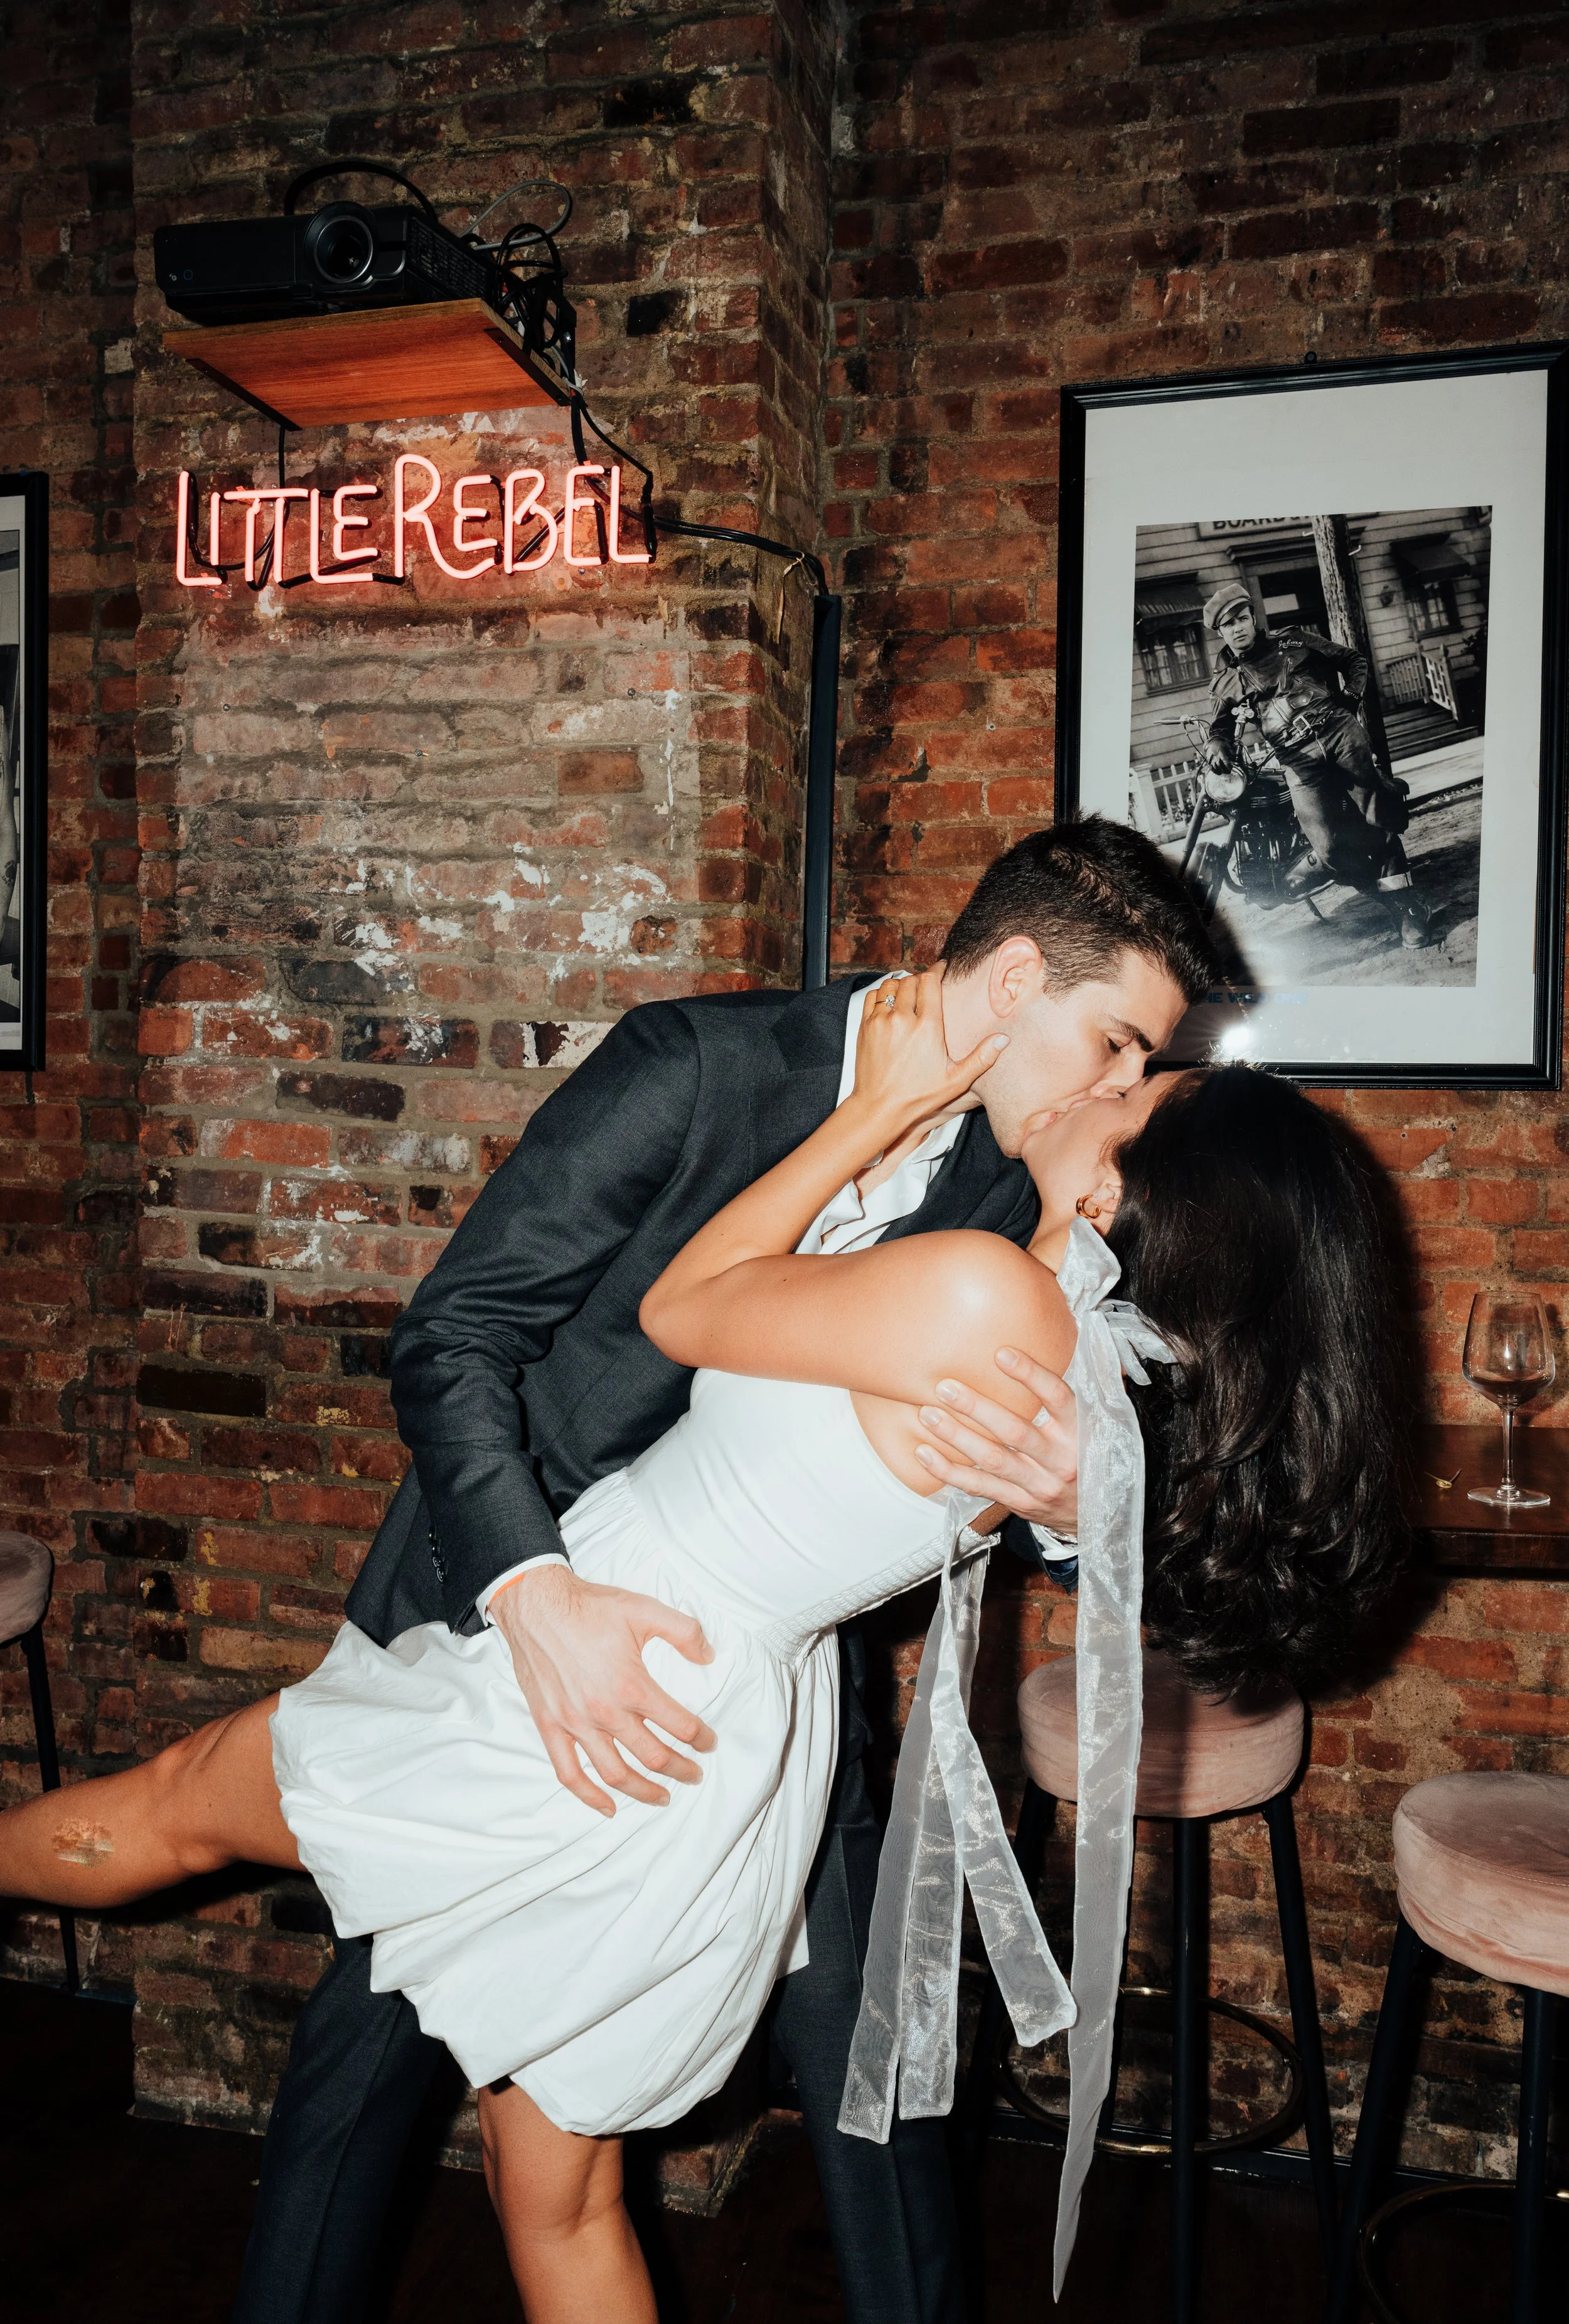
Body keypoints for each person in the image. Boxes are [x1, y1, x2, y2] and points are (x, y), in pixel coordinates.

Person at [0, 986, 1405, 2322]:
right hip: (708, 1722)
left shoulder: (986, 1295)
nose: (1108, 1081)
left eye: (1137, 1087)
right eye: (1122, 1050)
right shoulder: (1093, 1376)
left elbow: (687, 1310)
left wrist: (868, 1112)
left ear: (1114, 1194)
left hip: (607, 1672)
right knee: (553, 2196)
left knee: (172, 1807)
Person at [222, 814, 1218, 2324]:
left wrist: (1079, 1505)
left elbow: (1045, 1445)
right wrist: (534, 1597)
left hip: (775, 1681)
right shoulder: (697, 1065)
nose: (1123, 1091)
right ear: (1015, 976)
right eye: (1118, 1042)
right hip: (509, 1624)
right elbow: (455, 1336)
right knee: (369, 2052)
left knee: (879, 2070)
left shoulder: (1033, 1181)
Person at [1201, 580, 1434, 948]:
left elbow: (1353, 661)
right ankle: (1388, 892)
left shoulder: (1291, 641)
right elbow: (1220, 723)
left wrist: (1350, 701)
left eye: (1243, 619)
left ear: (1252, 618)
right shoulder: (1227, 679)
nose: (1238, 628)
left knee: (1379, 818)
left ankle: (1407, 910)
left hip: (1340, 735)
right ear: (1221, 632)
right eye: (1229, 625)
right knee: (1328, 849)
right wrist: (1217, 742)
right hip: (1297, 760)